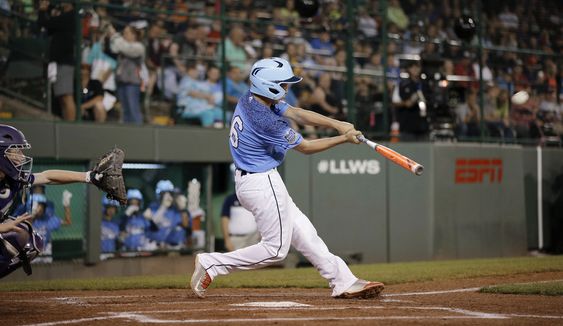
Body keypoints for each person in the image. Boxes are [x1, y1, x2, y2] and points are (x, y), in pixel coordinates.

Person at [190, 57, 384, 299]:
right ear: (267, 85)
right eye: (282, 84)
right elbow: (306, 147)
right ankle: (212, 263)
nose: (287, 88)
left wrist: (337, 124)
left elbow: (296, 112)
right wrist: (343, 139)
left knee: (305, 233)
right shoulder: (264, 120)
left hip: (256, 180)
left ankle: (343, 281)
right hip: (261, 182)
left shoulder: (251, 98)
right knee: (275, 250)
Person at [0, 124, 122, 278]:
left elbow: (47, 176)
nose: (22, 156)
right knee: (13, 234)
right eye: (15, 150)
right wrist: (2, 228)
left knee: (29, 238)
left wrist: (89, 177)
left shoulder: (12, 180)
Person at [37, 0, 76, 121]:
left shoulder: (70, 16)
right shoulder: (65, 17)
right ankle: (67, 123)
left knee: (66, 96)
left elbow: (44, 23)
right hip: (59, 61)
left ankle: (71, 127)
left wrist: (43, 10)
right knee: (61, 97)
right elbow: (50, 29)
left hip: (65, 61)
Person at [108, 24, 145, 124]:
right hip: (121, 82)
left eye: (126, 33)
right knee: (124, 110)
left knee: (133, 109)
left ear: (134, 35)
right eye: (123, 33)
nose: (124, 35)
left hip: (132, 83)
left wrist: (115, 35)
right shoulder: (122, 45)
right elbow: (113, 48)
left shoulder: (139, 47)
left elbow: (126, 48)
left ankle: (138, 132)